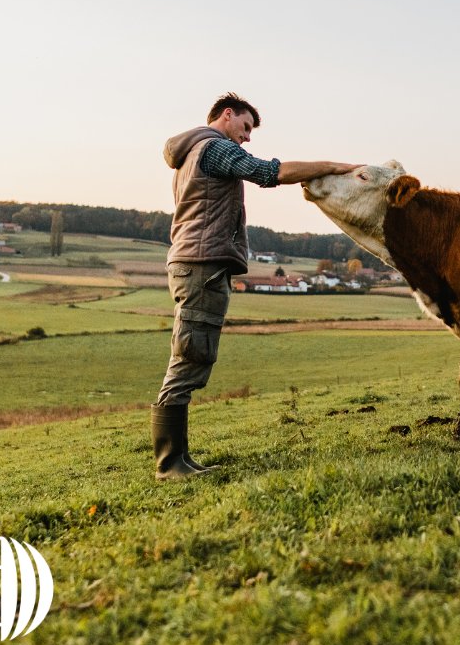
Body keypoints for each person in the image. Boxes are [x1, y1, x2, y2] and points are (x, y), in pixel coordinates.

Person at [152, 92, 359, 480]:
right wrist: (333, 166)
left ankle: (178, 457)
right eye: (245, 127)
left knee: (194, 352)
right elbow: (269, 172)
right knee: (190, 354)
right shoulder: (213, 148)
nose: (247, 137)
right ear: (227, 116)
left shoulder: (195, 152)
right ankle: (169, 463)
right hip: (200, 265)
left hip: (198, 264)